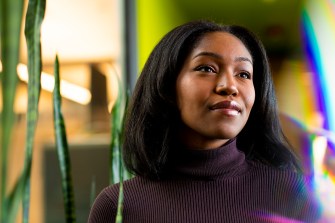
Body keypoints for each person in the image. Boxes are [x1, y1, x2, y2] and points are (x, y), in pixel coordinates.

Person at [88, 20, 320, 223]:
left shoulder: (293, 193)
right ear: (166, 85)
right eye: (207, 68)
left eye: (243, 74)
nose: (229, 86)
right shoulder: (118, 206)